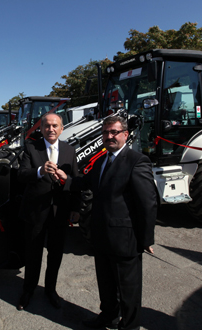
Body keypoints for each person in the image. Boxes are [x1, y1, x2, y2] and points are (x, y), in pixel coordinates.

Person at [61, 116, 157, 330]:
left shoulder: (137, 161)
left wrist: (146, 238)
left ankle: (129, 326)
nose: (109, 136)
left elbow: (147, 203)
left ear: (125, 134)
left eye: (114, 132)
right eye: (105, 132)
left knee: (128, 289)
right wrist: (63, 178)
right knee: (106, 284)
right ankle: (109, 317)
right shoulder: (102, 161)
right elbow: (85, 183)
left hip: (125, 239)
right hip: (101, 235)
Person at [16, 113, 79, 311]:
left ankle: (50, 290)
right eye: (47, 126)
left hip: (59, 212)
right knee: (33, 254)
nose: (51, 129)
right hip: (35, 212)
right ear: (41, 128)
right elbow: (21, 174)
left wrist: (76, 208)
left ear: (61, 129)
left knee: (55, 255)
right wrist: (40, 171)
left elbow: (77, 180)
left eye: (55, 126)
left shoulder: (70, 150)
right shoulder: (31, 148)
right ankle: (28, 290)